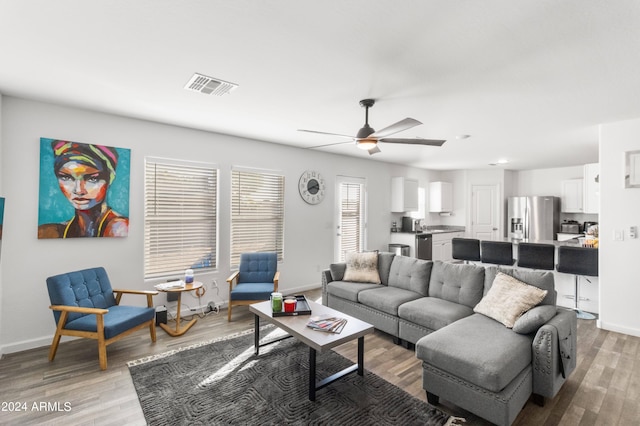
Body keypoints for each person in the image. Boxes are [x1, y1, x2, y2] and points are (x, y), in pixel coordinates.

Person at [38, 140, 128, 238]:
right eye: (66, 178)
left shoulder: (119, 228)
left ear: (110, 178)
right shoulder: (49, 232)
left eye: (92, 179)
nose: (79, 190)